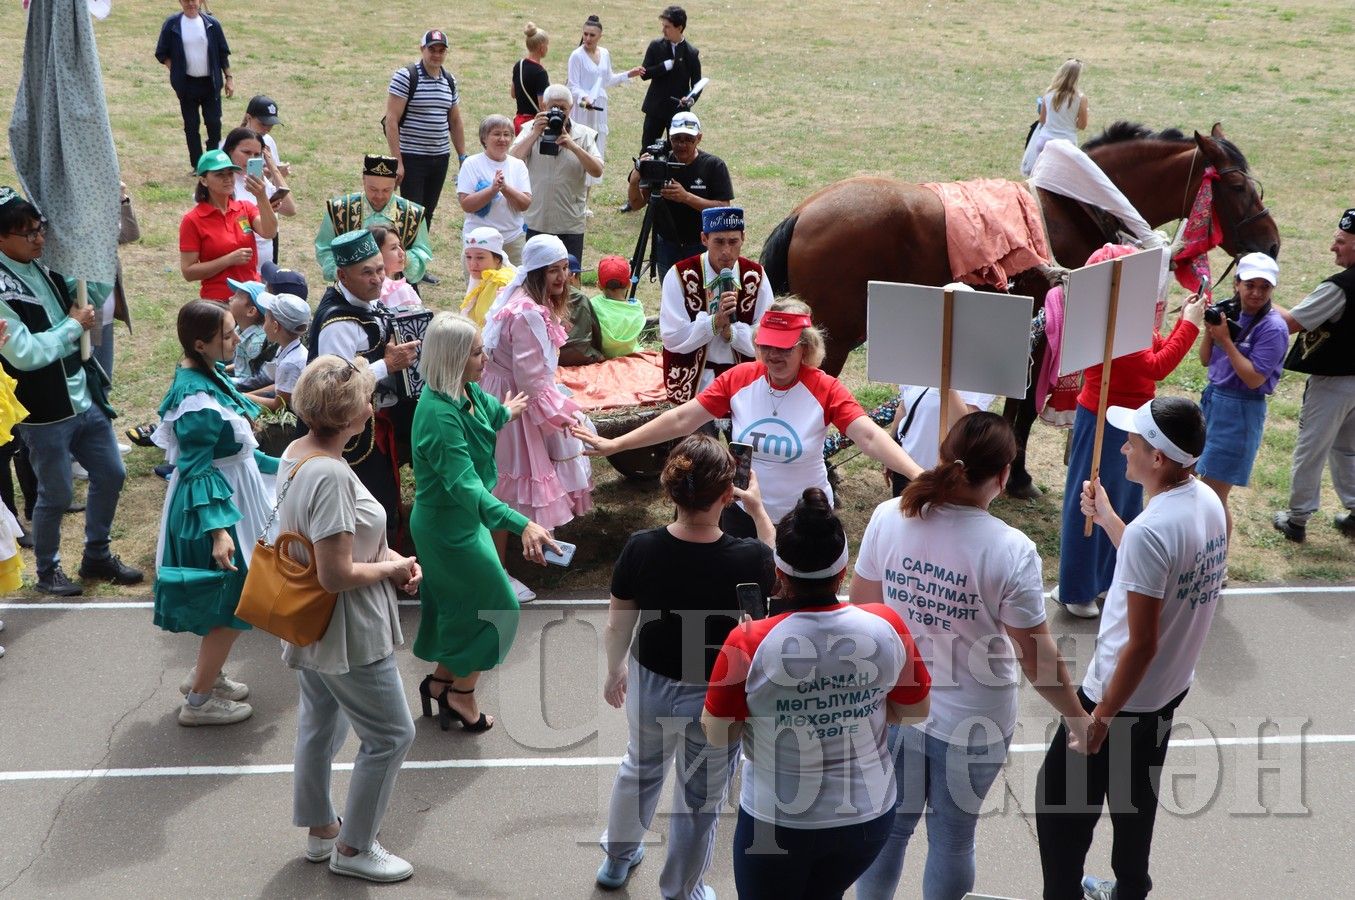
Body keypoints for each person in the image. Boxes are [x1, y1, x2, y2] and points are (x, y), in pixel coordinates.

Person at [851, 413, 1091, 900]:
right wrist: (1078, 718)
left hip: (898, 707)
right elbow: (1036, 659)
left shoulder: (889, 516)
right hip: (973, 721)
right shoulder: (1011, 550)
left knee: (887, 832)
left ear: (944, 457)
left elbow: (862, 613)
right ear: (1004, 476)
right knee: (954, 840)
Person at [1036, 397, 1226, 900]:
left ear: (1158, 458)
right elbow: (1160, 575)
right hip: (1165, 692)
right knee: (1134, 804)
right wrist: (1109, 519)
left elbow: (1140, 645)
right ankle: (1129, 891)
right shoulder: (1206, 503)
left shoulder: (1153, 531)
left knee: (1059, 815)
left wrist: (1098, 720)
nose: (1123, 448)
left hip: (1117, 699)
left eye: (1134, 443)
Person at [702, 488, 931, 900]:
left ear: (779, 574)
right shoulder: (886, 624)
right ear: (842, 572)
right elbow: (913, 712)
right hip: (867, 817)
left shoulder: (750, 641)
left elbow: (719, 735)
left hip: (778, 824)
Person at [596, 434, 776, 894]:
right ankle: (682, 890)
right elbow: (774, 571)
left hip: (651, 680)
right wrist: (756, 510)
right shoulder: (748, 555)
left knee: (639, 768)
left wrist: (615, 670)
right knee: (699, 801)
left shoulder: (641, 547)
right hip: (716, 693)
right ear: (726, 495)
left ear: (670, 490)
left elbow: (619, 624)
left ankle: (617, 860)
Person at [578, 300, 923, 537]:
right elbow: (683, 418)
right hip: (742, 514)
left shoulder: (825, 388)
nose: (773, 356)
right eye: (766, 346)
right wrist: (617, 444)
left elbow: (869, 436)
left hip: (804, 520)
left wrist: (917, 474)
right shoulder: (740, 378)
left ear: (805, 347)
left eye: (784, 348)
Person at [278, 355, 422, 884]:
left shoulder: (296, 452)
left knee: (320, 725)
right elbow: (335, 575)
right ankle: (355, 847)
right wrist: (394, 565)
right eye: (367, 396)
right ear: (350, 414)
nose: (372, 402)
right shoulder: (332, 476)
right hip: (347, 628)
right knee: (390, 735)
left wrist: (386, 560)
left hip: (309, 624)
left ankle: (321, 829)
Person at [409, 313, 558, 733]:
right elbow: (467, 488)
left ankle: (441, 683)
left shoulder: (466, 391)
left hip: (463, 523)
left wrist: (507, 411)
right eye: (477, 352)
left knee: (463, 608)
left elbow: (487, 416)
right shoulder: (438, 415)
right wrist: (522, 524)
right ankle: (461, 694)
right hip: (446, 530)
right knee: (499, 609)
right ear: (455, 359)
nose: (486, 357)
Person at [0, 188, 141, 597]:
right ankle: (48, 570)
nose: (39, 239)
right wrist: (72, 327)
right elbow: (25, 352)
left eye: (39, 229)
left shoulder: (45, 263)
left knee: (112, 473)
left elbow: (89, 298)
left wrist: (93, 257)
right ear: (2, 238)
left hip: (84, 398)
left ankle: (96, 554)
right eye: (27, 233)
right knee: (56, 494)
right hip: (44, 413)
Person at [1050, 244, 1204, 618]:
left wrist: (1182, 320)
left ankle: (1105, 580)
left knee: (1123, 501)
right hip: (1103, 416)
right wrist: (1190, 325)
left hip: (1134, 420)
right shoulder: (1111, 322)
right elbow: (1158, 365)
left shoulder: (1127, 317)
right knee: (1090, 500)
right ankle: (1078, 588)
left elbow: (1157, 350)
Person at [152, 300, 278, 726]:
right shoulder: (199, 402)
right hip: (217, 508)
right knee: (234, 601)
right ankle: (200, 702)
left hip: (231, 496)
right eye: (228, 334)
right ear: (201, 344)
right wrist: (219, 531)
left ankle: (208, 674)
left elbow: (241, 455)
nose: (238, 337)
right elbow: (197, 469)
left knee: (231, 599)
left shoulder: (204, 375)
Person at [481, 235, 594, 601]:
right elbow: (530, 377)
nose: (562, 277)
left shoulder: (529, 304)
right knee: (504, 486)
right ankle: (496, 575)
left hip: (516, 394)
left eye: (565, 268)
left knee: (507, 484)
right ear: (534, 272)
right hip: (515, 400)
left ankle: (525, 554)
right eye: (553, 270)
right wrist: (560, 415)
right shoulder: (527, 312)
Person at [309, 230, 421, 541]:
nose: (377, 279)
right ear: (342, 275)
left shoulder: (368, 304)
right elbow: (336, 386)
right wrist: (388, 365)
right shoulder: (339, 324)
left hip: (375, 426)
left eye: (380, 269)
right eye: (367, 273)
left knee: (385, 499)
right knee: (367, 507)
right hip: (350, 438)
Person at [1272, 208, 1355, 543]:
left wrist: (1258, 296)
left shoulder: (1340, 288)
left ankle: (1297, 518)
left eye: (1340, 241)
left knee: (1312, 449)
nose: (1333, 247)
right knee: (1348, 449)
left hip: (1334, 384)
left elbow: (1291, 323)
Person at [1196, 252, 1288, 543]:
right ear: (1237, 283)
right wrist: (1211, 331)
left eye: (1265, 287)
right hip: (1212, 400)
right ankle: (1202, 557)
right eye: (1250, 285)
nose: (1257, 293)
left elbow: (1254, 378)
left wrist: (1225, 339)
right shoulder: (1229, 313)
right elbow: (1204, 359)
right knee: (1200, 488)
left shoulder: (1273, 327)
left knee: (1213, 494)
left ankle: (1216, 564)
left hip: (1240, 410)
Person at [660, 206, 774, 404]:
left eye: (733, 242)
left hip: (743, 383)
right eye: (719, 242)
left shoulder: (756, 277)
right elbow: (672, 336)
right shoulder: (680, 275)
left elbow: (767, 337)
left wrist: (732, 334)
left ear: (743, 238)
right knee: (696, 436)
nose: (726, 251)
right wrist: (715, 323)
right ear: (704, 239)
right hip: (693, 382)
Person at [626, 112, 733, 279]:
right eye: (676, 139)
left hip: (702, 243)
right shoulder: (660, 164)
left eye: (688, 139)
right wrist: (634, 182)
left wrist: (686, 197)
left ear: (699, 138)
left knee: (703, 295)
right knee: (671, 293)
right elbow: (636, 204)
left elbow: (724, 208)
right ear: (669, 138)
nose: (682, 145)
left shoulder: (713, 166)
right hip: (667, 244)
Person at [384, 28, 467, 239]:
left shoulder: (449, 80)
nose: (437, 54)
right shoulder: (406, 77)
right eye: (432, 49)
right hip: (412, 158)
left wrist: (462, 156)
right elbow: (391, 121)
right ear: (422, 49)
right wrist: (398, 161)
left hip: (440, 158)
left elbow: (455, 121)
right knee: (409, 215)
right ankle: (400, 268)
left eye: (441, 50)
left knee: (427, 213)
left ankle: (418, 267)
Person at [510, 84, 604, 261]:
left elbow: (597, 170)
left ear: (571, 109)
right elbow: (512, 161)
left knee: (569, 280)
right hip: (535, 220)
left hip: (569, 224)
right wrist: (534, 134)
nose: (558, 112)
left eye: (562, 108)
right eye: (553, 107)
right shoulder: (530, 129)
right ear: (543, 107)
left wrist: (573, 146)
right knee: (534, 280)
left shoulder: (583, 135)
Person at [315, 155, 433, 287]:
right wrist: (345, 272)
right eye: (373, 189)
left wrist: (402, 259)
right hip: (350, 289)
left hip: (398, 289)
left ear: (395, 183)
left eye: (386, 190)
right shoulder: (340, 208)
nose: (379, 196)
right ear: (363, 180)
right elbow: (325, 249)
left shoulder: (413, 213)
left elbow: (421, 252)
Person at [179, 149, 277, 302]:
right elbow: (188, 272)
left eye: (230, 174)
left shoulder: (245, 207)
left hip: (252, 297)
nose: (228, 179)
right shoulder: (193, 220)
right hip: (218, 302)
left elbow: (270, 232)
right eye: (219, 175)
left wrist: (261, 196)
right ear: (204, 181)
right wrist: (228, 260)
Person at [567, 15, 644, 194]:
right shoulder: (576, 56)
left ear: (600, 36)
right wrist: (585, 98)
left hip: (599, 109)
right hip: (583, 108)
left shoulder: (605, 53)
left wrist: (628, 74)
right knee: (581, 145)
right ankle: (576, 194)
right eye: (585, 34)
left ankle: (587, 197)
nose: (587, 38)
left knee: (595, 147)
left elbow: (607, 80)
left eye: (592, 35)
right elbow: (573, 85)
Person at [155, 0, 233, 167]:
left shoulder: (212, 24)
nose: (191, 3)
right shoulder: (172, 24)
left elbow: (222, 53)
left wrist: (229, 78)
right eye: (186, 0)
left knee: (213, 123)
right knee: (191, 126)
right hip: (187, 85)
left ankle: (212, 163)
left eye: (194, 0)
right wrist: (175, 70)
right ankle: (197, 165)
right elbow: (161, 52)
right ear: (180, 2)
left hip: (210, 84)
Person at [457, 115, 533, 266]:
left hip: (512, 241)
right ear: (484, 138)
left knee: (515, 288)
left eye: (507, 134)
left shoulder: (518, 165)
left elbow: (525, 204)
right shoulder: (471, 164)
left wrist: (505, 188)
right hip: (479, 242)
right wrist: (492, 191)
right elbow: (466, 204)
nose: (502, 139)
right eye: (496, 134)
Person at [221, 127, 296, 269]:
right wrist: (261, 209)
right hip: (239, 266)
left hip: (265, 266)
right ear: (230, 150)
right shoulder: (224, 182)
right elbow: (222, 224)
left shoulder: (258, 179)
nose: (251, 159)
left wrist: (273, 167)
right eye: (246, 152)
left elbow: (290, 209)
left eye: (256, 155)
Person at [635, 6, 702, 162]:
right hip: (655, 109)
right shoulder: (655, 46)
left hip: (677, 112)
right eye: (663, 26)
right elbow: (644, 74)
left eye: (667, 27)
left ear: (679, 28)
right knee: (647, 148)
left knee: (677, 151)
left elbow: (697, 84)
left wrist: (690, 99)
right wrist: (664, 66)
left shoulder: (691, 53)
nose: (663, 30)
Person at [1020, 58, 1089, 177]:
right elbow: (1082, 125)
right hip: (1066, 144)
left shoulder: (1049, 93)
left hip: (1044, 141)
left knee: (1039, 180)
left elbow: (1042, 120)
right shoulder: (1080, 98)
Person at [246, 292, 310, 412]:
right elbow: (281, 387)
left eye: (265, 321)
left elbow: (279, 405)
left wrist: (244, 397)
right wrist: (249, 394)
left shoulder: (290, 364)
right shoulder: (288, 349)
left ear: (275, 326)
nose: (263, 326)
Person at [591, 255, 646, 358]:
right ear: (629, 284)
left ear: (599, 285)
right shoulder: (637, 308)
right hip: (633, 358)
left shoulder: (593, 305)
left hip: (604, 360)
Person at [460, 226, 516, 327]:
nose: (472, 264)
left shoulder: (499, 281)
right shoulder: (483, 276)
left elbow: (486, 324)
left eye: (480, 257)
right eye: (468, 257)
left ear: (497, 259)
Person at [224, 277, 273, 391]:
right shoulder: (239, 329)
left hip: (247, 390)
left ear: (251, 311)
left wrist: (226, 381)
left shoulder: (257, 342)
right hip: (239, 380)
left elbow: (258, 378)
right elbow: (243, 363)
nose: (230, 298)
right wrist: (224, 369)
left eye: (236, 297)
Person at [559, 253, 605, 366]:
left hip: (555, 356)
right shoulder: (581, 297)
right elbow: (596, 331)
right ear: (573, 276)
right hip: (583, 355)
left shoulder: (546, 294)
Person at [370, 225, 422, 312]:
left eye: (400, 245)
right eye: (393, 248)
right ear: (377, 253)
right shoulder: (402, 291)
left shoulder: (362, 289)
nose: (402, 252)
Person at [511, 22, 551, 131]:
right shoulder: (540, 72)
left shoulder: (519, 64)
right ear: (542, 48)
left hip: (519, 122)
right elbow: (542, 106)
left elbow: (513, 94)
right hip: (533, 124)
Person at [240, 94, 290, 178]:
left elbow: (273, 187)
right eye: (263, 124)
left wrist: (278, 174)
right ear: (249, 118)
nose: (267, 129)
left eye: (271, 124)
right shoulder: (235, 142)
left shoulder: (268, 140)